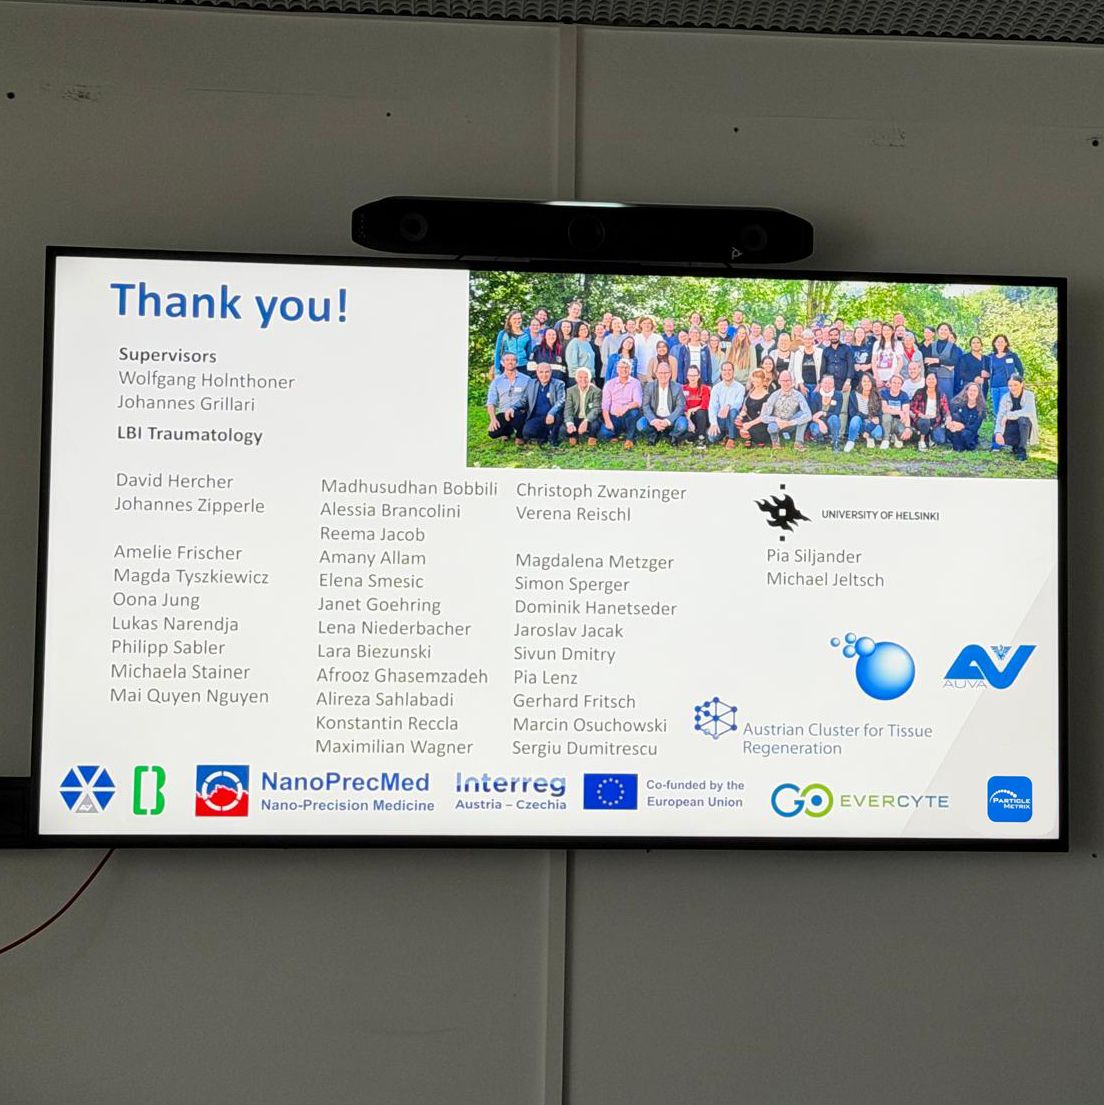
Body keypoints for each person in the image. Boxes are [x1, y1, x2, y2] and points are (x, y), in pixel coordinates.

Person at [638, 362, 689, 446]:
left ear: (670, 374)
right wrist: (654, 420)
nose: (663, 375)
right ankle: (653, 435)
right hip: (655, 417)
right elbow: (645, 406)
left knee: (682, 425)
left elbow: (680, 407)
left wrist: (668, 420)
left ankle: (672, 436)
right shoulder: (649, 386)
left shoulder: (677, 387)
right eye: (660, 373)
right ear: (656, 374)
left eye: (666, 373)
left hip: (671, 418)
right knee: (641, 425)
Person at [987, 334, 1024, 447]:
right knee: (997, 413)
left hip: (1007, 387)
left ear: (1006, 343)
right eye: (997, 341)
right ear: (994, 343)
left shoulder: (1012, 356)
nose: (1000, 343)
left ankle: (1001, 442)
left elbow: (1021, 370)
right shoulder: (990, 357)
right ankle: (999, 439)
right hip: (994, 387)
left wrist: (1018, 384)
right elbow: (987, 371)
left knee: (1005, 413)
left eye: (1002, 341)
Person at [599, 358, 643, 449]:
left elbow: (638, 402)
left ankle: (630, 438)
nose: (624, 370)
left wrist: (626, 407)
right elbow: (605, 406)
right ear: (617, 369)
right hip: (614, 416)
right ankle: (616, 434)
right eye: (621, 367)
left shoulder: (635, 383)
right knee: (603, 434)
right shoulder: (609, 384)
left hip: (628, 416)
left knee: (634, 412)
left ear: (630, 370)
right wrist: (608, 421)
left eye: (627, 367)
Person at [761, 370, 811, 449]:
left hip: (791, 423)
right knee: (771, 427)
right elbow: (763, 417)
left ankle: (798, 442)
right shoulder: (774, 395)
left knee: (803, 415)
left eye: (788, 380)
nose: (785, 383)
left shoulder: (798, 395)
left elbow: (808, 415)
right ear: (779, 381)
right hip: (778, 424)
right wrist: (776, 419)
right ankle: (775, 443)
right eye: (783, 381)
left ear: (792, 381)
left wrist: (790, 423)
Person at [486, 353, 530, 440]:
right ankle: (507, 431)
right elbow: (491, 402)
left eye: (513, 360)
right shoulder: (496, 381)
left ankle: (519, 436)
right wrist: (493, 419)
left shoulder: (527, 379)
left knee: (519, 419)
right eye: (507, 360)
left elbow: (530, 399)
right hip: (503, 412)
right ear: (502, 363)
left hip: (519, 412)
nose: (510, 362)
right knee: (493, 433)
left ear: (517, 363)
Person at [994, 375, 1038, 461]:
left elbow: (1028, 411)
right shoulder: (1005, 397)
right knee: (996, 435)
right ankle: (1015, 446)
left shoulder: (1029, 395)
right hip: (1011, 426)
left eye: (1015, 385)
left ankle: (1022, 449)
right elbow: (1000, 416)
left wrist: (1008, 415)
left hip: (1025, 426)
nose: (1013, 388)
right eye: (1010, 385)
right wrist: (998, 432)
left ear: (1022, 384)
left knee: (1023, 420)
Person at [707, 361, 747, 448]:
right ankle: (724, 435)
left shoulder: (740, 387)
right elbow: (712, 407)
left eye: (729, 370)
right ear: (721, 372)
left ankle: (731, 438)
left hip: (733, 420)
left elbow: (738, 404)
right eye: (724, 370)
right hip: (720, 420)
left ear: (733, 371)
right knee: (712, 438)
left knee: (733, 411)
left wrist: (728, 406)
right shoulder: (716, 388)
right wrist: (713, 423)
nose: (727, 372)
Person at [909, 372, 950, 450]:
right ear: (925, 380)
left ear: (936, 380)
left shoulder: (941, 394)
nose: (931, 381)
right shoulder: (920, 392)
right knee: (925, 421)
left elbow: (946, 409)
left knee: (940, 440)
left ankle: (929, 435)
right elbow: (913, 407)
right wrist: (921, 415)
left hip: (935, 421)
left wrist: (948, 417)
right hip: (921, 419)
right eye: (929, 379)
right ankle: (921, 441)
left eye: (933, 379)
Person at [562, 366, 602, 446]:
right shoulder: (570, 391)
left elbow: (596, 409)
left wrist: (586, 421)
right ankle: (574, 436)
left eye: (586, 377)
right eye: (580, 377)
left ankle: (592, 437)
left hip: (589, 418)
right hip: (576, 417)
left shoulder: (596, 391)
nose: (583, 380)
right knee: (563, 430)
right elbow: (568, 409)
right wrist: (570, 424)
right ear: (576, 379)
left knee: (595, 425)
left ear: (590, 379)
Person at [844, 372, 883, 451]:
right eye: (864, 381)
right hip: (860, 422)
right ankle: (851, 441)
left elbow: (878, 416)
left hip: (871, 423)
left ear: (872, 383)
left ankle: (868, 435)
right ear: (861, 383)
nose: (866, 383)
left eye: (869, 381)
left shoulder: (876, 396)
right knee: (855, 419)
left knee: (878, 434)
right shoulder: (854, 394)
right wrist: (868, 416)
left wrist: (869, 428)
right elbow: (852, 413)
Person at [736, 368, 773, 447]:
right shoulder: (749, 392)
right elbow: (744, 409)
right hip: (748, 419)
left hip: (759, 422)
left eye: (758, 377)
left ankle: (749, 437)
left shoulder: (767, 396)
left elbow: (763, 416)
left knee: (756, 432)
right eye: (754, 377)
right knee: (736, 422)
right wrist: (740, 416)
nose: (755, 379)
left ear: (763, 380)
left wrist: (749, 424)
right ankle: (747, 436)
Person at [806, 374, 843, 450]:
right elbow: (812, 415)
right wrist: (820, 422)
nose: (827, 385)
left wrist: (823, 413)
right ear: (821, 384)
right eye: (825, 383)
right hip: (818, 421)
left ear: (833, 385)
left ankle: (835, 442)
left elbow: (836, 413)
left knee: (834, 418)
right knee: (815, 429)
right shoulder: (815, 395)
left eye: (830, 383)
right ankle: (821, 440)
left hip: (831, 420)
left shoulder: (838, 395)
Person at [930, 323, 963, 405]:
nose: (943, 331)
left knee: (946, 402)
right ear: (937, 331)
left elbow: (953, 361)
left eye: (946, 330)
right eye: (941, 329)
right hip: (931, 378)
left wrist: (937, 360)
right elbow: (927, 361)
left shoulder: (953, 347)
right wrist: (944, 363)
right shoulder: (931, 345)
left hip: (946, 378)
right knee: (932, 401)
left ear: (950, 332)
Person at [946, 381, 984, 452]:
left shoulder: (981, 409)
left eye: (975, 391)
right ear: (966, 391)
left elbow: (975, 427)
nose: (972, 392)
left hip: (969, 432)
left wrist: (962, 426)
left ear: (978, 393)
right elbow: (952, 416)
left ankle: (967, 445)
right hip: (956, 430)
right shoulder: (959, 404)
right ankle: (958, 445)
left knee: (965, 435)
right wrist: (951, 423)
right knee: (953, 420)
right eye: (970, 390)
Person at [492, 310, 531, 377]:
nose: (517, 320)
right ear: (510, 320)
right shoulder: (503, 333)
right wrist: (497, 370)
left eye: (519, 318)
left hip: (523, 366)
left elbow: (529, 352)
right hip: (507, 366)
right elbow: (498, 352)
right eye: (514, 319)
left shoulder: (526, 334)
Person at [879, 374, 913, 449]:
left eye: (899, 383)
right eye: (894, 382)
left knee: (905, 434)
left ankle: (896, 437)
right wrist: (899, 412)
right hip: (886, 421)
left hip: (898, 421)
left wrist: (907, 427)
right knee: (886, 416)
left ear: (901, 385)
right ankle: (886, 440)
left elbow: (906, 413)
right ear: (890, 384)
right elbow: (885, 409)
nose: (896, 385)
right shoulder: (884, 393)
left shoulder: (904, 395)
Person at [683, 364, 711, 445]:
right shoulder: (683, 388)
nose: (692, 378)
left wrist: (691, 410)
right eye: (690, 375)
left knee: (700, 412)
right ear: (687, 376)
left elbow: (705, 405)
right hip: (688, 417)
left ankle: (701, 437)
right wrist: (688, 420)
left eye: (695, 375)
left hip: (702, 417)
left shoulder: (704, 388)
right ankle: (696, 434)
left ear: (699, 376)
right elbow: (682, 406)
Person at [789, 329, 823, 394]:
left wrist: (819, 384)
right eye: (805, 339)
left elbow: (822, 369)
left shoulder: (820, 352)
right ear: (802, 340)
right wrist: (801, 385)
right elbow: (796, 370)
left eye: (810, 339)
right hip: (803, 385)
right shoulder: (798, 353)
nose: (808, 341)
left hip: (817, 385)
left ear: (813, 339)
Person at [820, 326, 854, 392]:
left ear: (839, 336)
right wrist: (821, 382)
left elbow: (851, 365)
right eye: (831, 335)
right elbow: (823, 368)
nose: (833, 337)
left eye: (836, 335)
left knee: (844, 398)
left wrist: (848, 380)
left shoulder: (847, 348)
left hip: (844, 382)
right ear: (829, 336)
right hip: (830, 384)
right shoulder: (826, 350)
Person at [870, 323, 902, 388]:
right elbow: (873, 361)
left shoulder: (898, 344)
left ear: (892, 331)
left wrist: (893, 378)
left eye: (888, 330)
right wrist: (876, 377)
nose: (886, 332)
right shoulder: (877, 344)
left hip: (892, 378)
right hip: (879, 377)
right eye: (884, 330)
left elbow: (900, 362)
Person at [850, 326, 872, 391]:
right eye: (858, 332)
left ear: (864, 334)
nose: (860, 334)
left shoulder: (869, 347)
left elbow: (874, 360)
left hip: (866, 377)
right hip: (853, 377)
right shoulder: (849, 347)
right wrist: (853, 365)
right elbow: (845, 362)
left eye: (862, 333)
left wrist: (868, 366)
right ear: (854, 334)